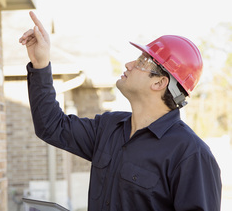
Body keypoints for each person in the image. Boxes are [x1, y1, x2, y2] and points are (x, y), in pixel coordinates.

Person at [19, 11, 222, 211]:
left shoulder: (191, 154)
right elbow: (52, 126)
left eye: (143, 61)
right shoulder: (108, 128)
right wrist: (40, 64)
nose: (129, 64)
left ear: (160, 82)